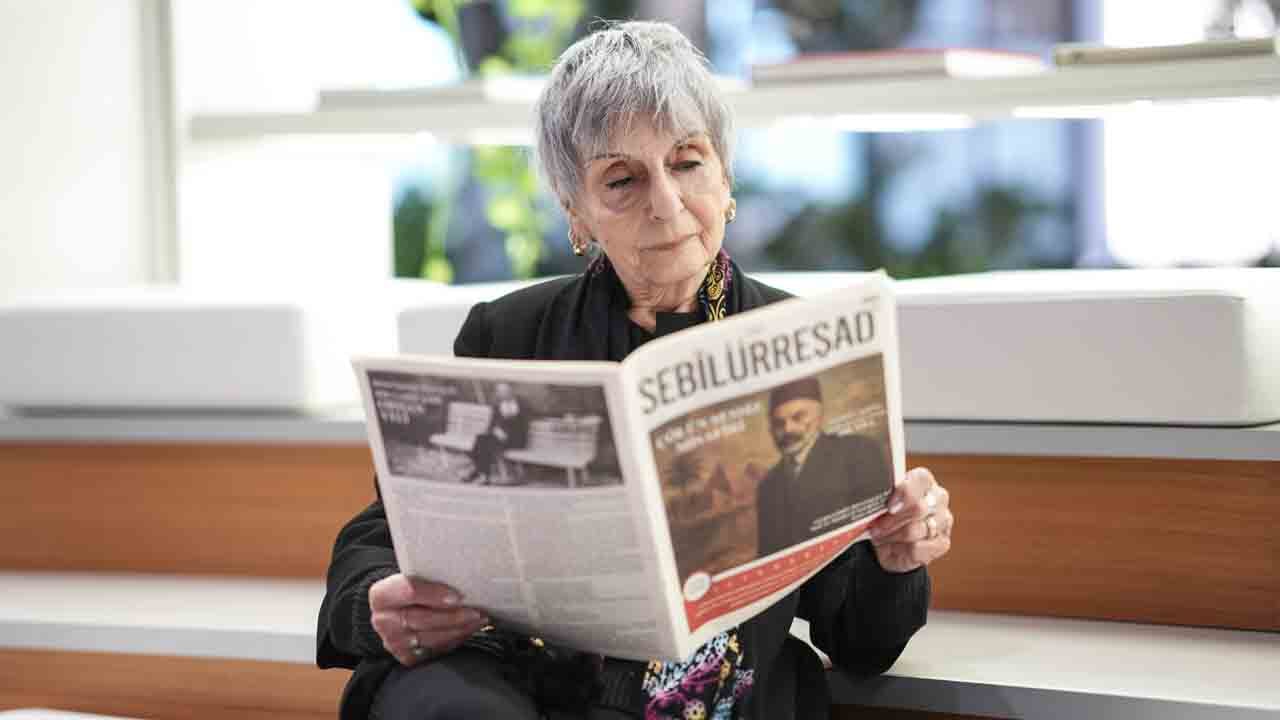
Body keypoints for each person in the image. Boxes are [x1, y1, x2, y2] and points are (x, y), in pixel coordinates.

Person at [317, 20, 956, 720]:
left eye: (687, 162)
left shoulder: (805, 346)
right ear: (577, 212)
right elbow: (386, 532)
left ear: (725, 174)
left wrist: (897, 558)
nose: (667, 203)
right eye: (622, 179)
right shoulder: (508, 332)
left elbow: (861, 639)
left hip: (712, 693)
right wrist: (377, 600)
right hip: (516, 677)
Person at [755, 377, 891, 558]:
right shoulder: (767, 487)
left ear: (819, 417)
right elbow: (768, 554)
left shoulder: (859, 452)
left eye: (798, 417)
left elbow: (882, 531)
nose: (788, 429)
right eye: (779, 423)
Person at [464, 382, 527, 485]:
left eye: (505, 391)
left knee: (485, 444)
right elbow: (491, 424)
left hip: (516, 439)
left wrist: (506, 433)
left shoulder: (521, 404)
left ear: (511, 391)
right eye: (500, 392)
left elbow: (524, 426)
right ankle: (484, 475)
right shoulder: (497, 405)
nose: (502, 394)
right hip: (498, 438)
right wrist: (493, 431)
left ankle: (478, 472)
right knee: (481, 439)